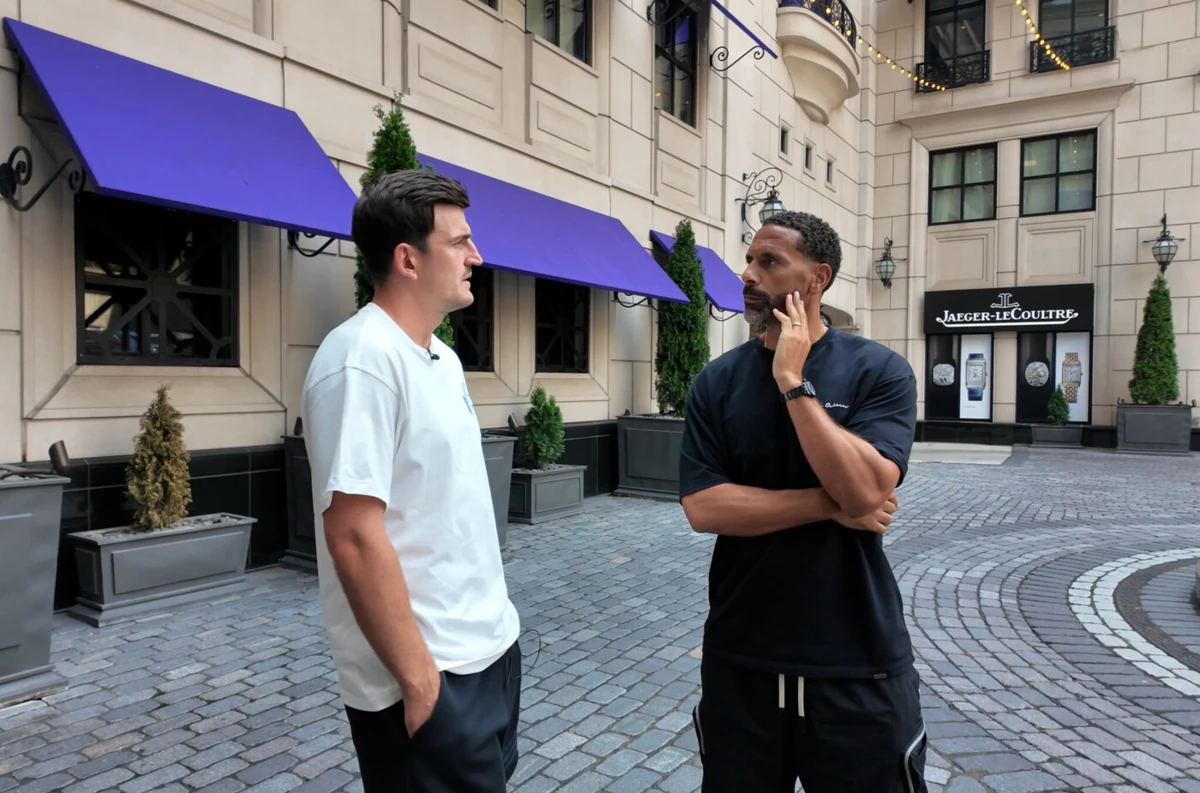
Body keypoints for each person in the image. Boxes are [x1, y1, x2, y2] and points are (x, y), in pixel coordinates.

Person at [679, 210, 925, 793]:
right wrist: (832, 504)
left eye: (770, 261)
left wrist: (793, 381)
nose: (748, 273)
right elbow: (704, 508)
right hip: (743, 661)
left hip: (857, 661)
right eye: (749, 259)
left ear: (817, 277)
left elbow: (868, 489)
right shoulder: (716, 382)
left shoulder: (879, 371)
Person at [300, 169, 522, 793]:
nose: (476, 256)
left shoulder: (439, 355)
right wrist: (420, 682)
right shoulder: (360, 362)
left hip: (486, 650)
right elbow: (352, 534)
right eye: (459, 242)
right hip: (425, 677)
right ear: (407, 259)